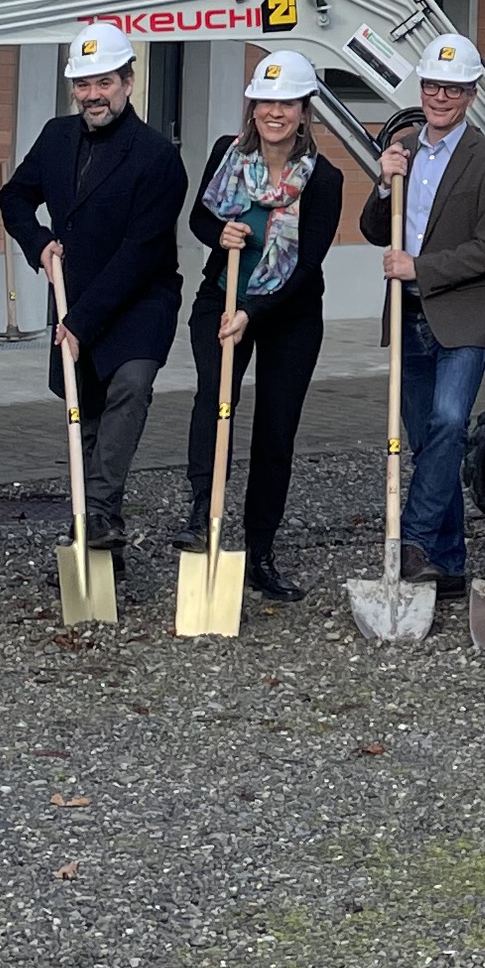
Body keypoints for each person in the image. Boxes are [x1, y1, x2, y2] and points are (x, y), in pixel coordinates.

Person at [0, 22, 187, 558]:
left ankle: (99, 511)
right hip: (72, 291)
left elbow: (139, 253)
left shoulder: (156, 156)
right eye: (82, 84)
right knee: (84, 410)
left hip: (138, 300)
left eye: (103, 82)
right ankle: (98, 531)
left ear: (128, 81)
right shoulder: (57, 136)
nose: (91, 95)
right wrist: (38, 242)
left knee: (129, 385)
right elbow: (15, 196)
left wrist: (78, 325)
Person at [356, 29, 485, 604]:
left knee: (450, 422)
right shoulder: (403, 152)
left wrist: (419, 268)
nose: (439, 97)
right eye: (431, 86)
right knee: (427, 440)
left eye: (452, 88)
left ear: (471, 94)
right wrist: (382, 185)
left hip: (465, 314)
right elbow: (375, 230)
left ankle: (417, 540)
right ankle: (448, 565)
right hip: (408, 314)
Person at [185, 47, 343, 605]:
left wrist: (253, 312)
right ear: (252, 107)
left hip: (287, 315)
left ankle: (261, 553)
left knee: (275, 431)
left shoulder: (324, 179)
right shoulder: (227, 157)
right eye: (265, 101)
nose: (274, 111)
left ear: (304, 110)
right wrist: (218, 236)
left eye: (287, 102)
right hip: (219, 300)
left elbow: (306, 265)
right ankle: (201, 514)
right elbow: (202, 217)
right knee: (215, 397)